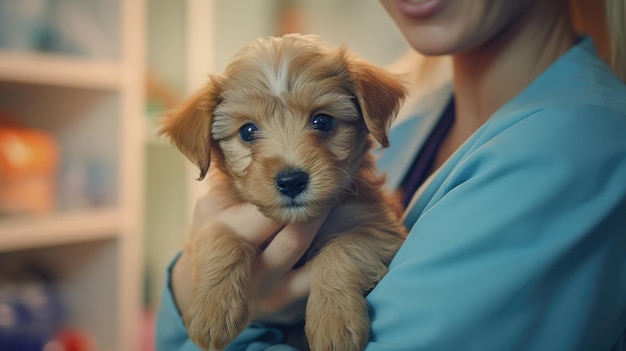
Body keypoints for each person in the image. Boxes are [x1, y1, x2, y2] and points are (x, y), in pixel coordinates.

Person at [156, 0, 626, 349]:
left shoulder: (571, 149)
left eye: (322, 123)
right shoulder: (419, 117)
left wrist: (223, 307)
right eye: (249, 132)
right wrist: (197, 273)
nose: (291, 158)